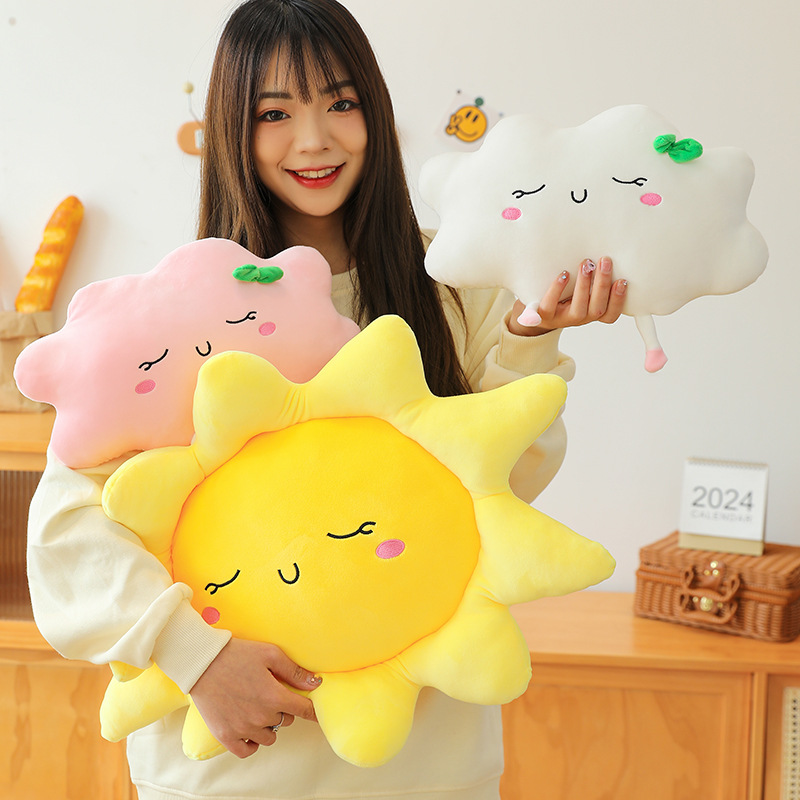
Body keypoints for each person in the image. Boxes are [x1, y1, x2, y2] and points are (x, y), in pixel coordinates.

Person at [26, 1, 627, 798]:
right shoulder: (177, 315)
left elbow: (501, 492)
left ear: (373, 111)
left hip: (425, 763)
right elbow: (65, 534)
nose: (314, 140)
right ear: (232, 130)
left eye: (340, 103)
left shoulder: (457, 282)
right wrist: (195, 655)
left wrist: (528, 334)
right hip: (236, 766)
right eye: (274, 114)